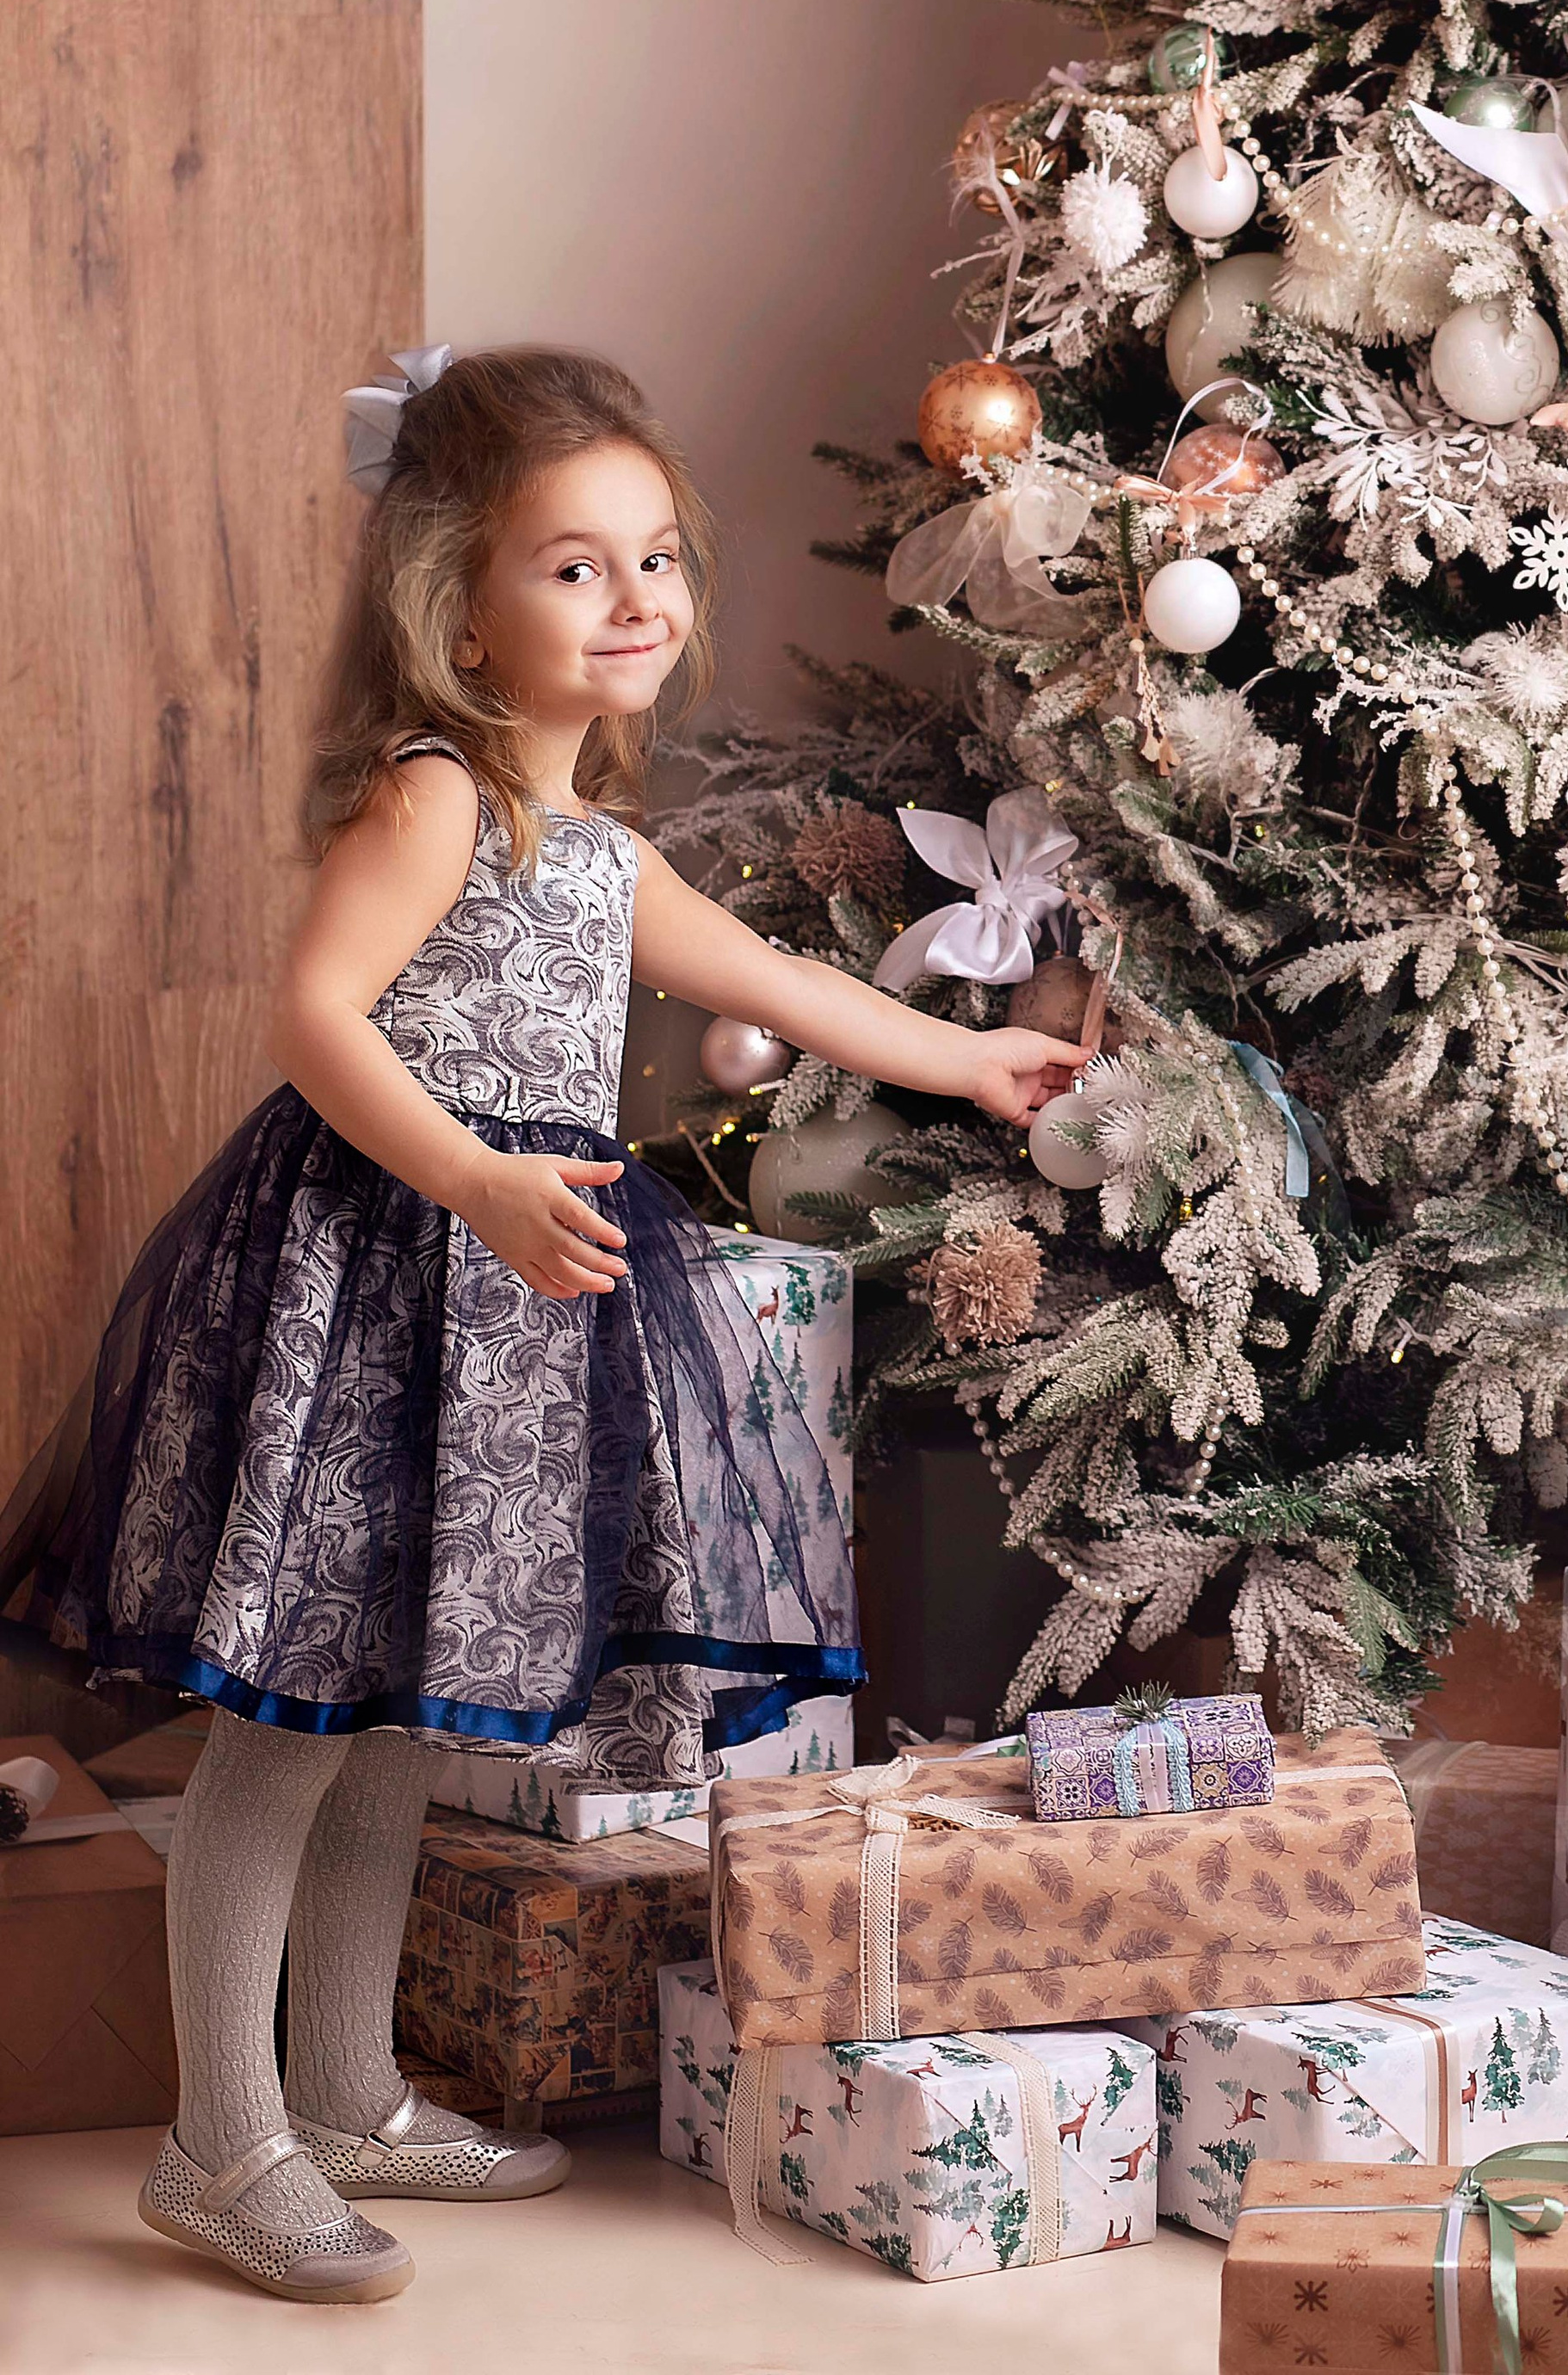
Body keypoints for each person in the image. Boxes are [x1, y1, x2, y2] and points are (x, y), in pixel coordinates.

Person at [31, 345, 1083, 2302]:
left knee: (405, 1734)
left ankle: (346, 2090)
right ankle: (218, 2138)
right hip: (380, 1282)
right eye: (575, 567)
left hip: (508, 1316)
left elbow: (769, 970)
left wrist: (972, 1062)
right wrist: (478, 1178)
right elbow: (317, 1015)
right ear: (459, 603)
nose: (639, 602)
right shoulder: (434, 798)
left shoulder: (596, 852)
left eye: (657, 559)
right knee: (280, 1729)